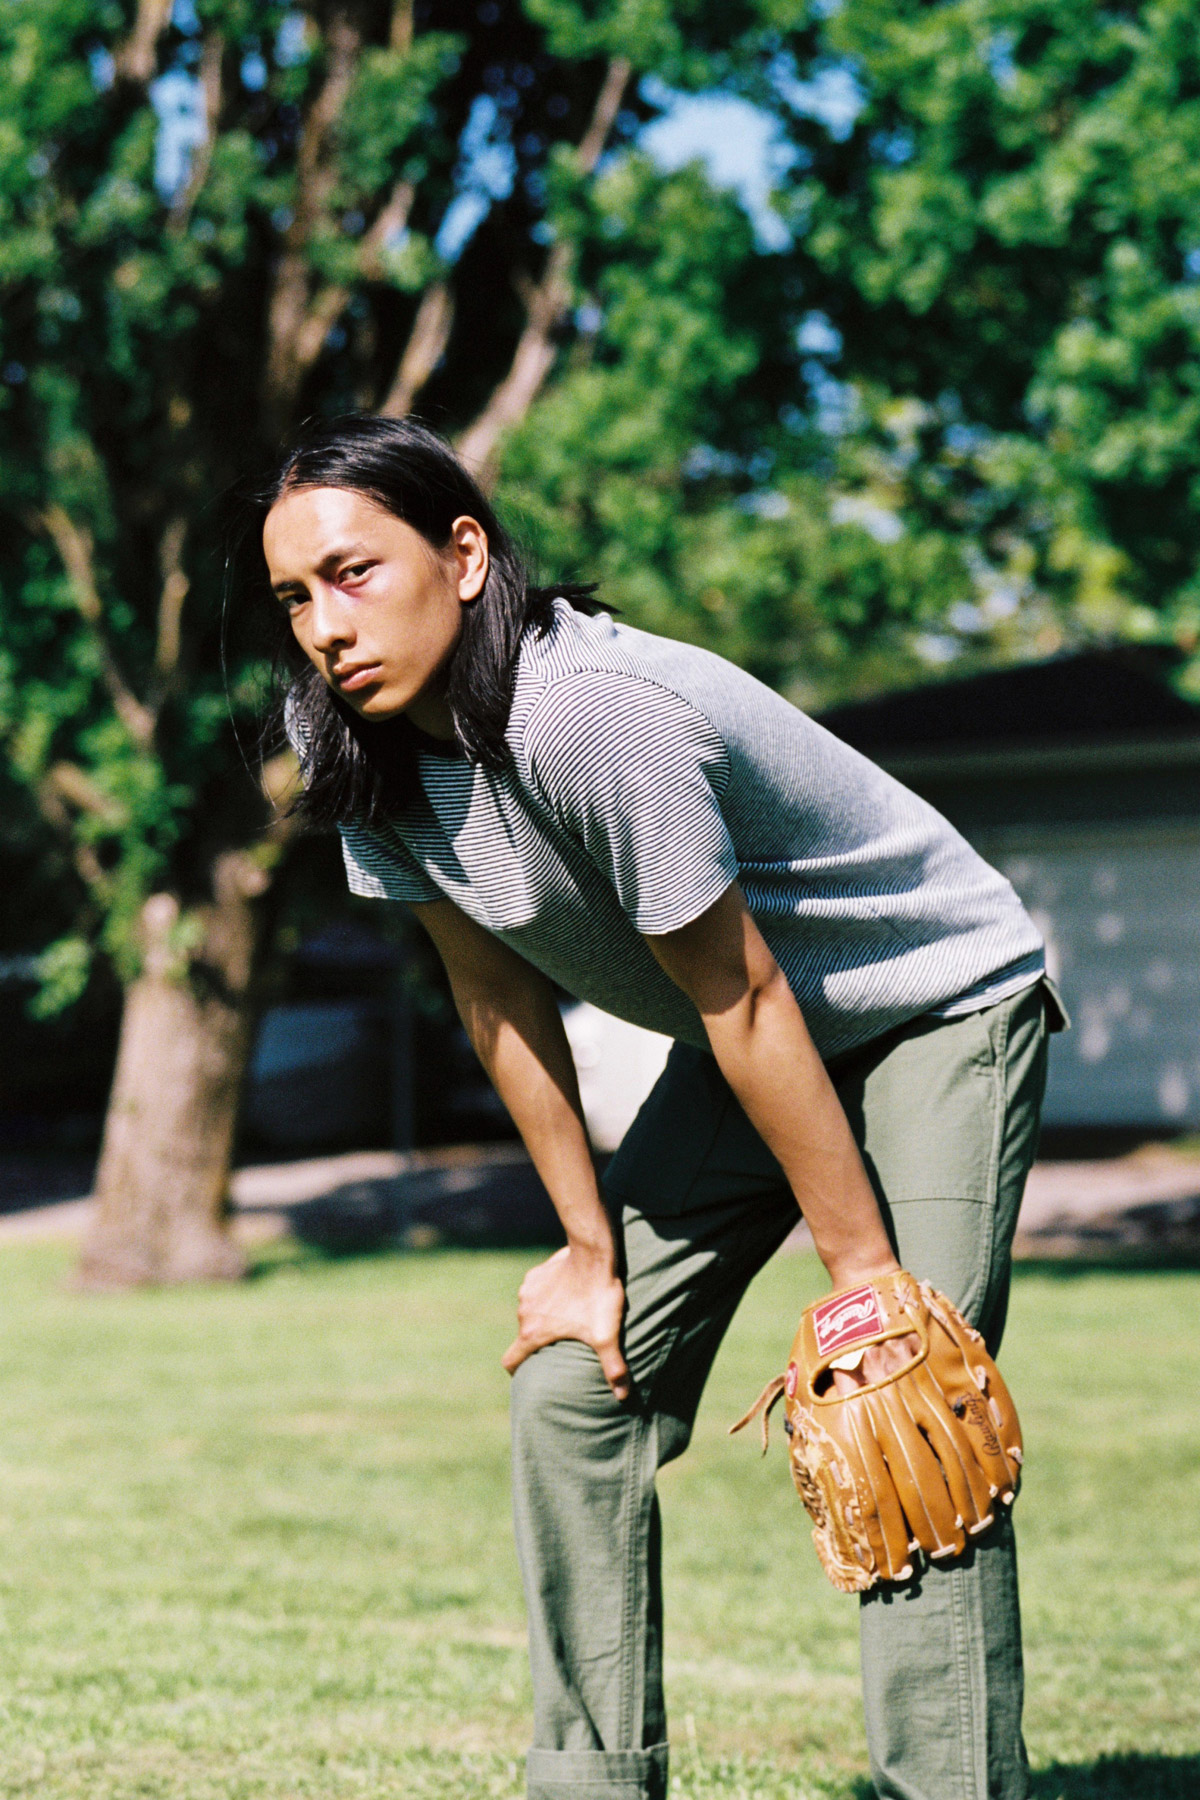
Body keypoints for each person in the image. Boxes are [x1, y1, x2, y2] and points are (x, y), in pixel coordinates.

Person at [243, 413, 1063, 1800]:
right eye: (292, 599)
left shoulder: (587, 711)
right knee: (574, 1392)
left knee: (904, 1396)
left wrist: (864, 1279)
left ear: (463, 555)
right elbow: (493, 997)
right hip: (756, 1041)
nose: (324, 626)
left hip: (931, 1005)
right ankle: (593, 1784)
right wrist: (585, 1250)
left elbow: (742, 993)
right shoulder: (359, 747)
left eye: (353, 573)